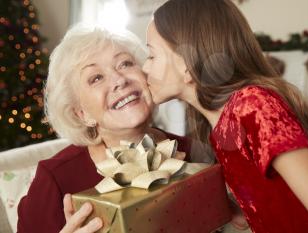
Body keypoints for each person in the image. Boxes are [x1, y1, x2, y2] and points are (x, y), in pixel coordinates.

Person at [142, 0, 308, 232]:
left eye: (151, 56)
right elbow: (253, 215)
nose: (145, 68)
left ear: (187, 64)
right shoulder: (220, 129)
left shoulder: (251, 107)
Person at [17, 25, 193, 233]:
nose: (120, 80)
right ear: (82, 114)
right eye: (96, 78)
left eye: (125, 63)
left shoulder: (193, 151)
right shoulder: (55, 180)